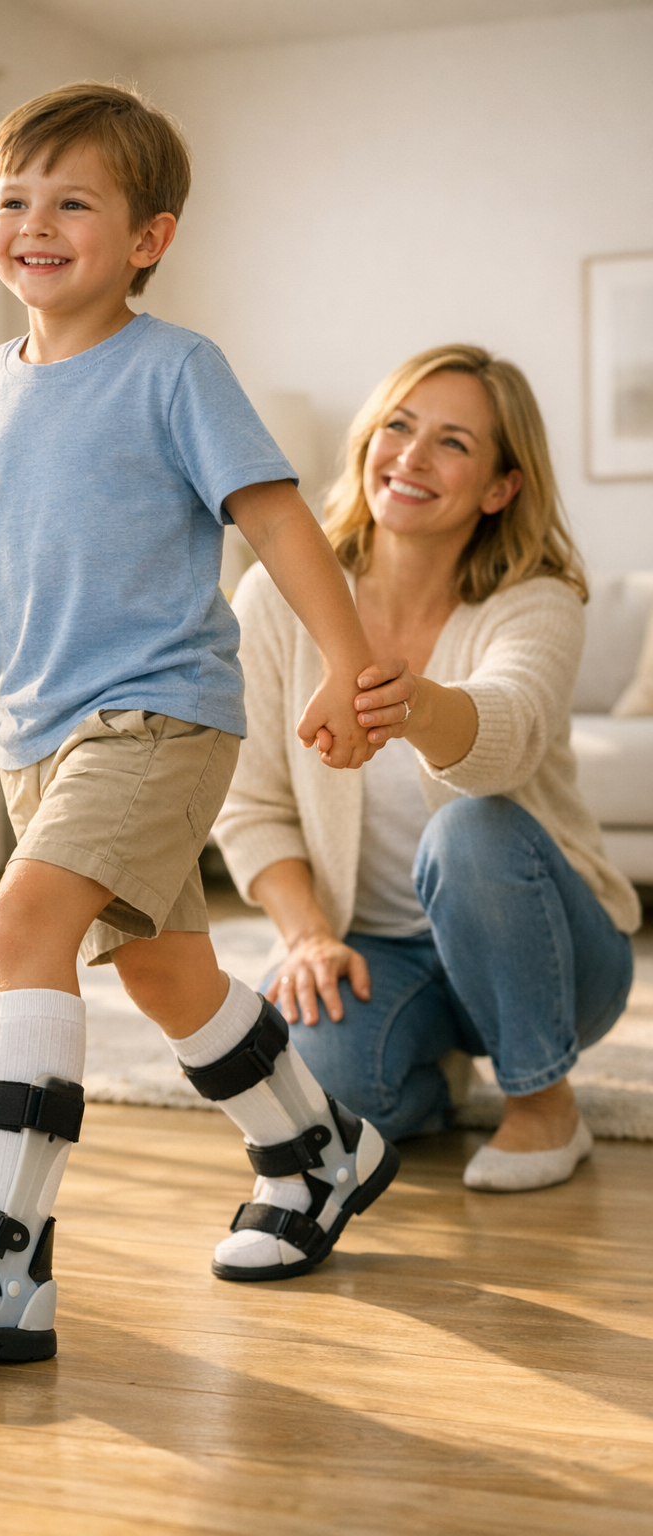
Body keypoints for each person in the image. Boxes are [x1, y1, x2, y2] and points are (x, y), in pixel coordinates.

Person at [0, 84, 401, 1364]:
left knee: (21, 921)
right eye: (13, 198)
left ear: (148, 237)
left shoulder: (175, 369)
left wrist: (345, 664)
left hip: (161, 716)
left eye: (72, 200)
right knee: (165, 973)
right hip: (33, 736)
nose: (35, 221)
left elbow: (278, 521)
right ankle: (315, 1153)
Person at [216, 345, 639, 1195]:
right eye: (398, 427)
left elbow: (509, 732)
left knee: (471, 826)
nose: (410, 456)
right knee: (313, 1093)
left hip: (558, 952)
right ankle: (442, 1066)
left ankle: (546, 1103)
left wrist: (405, 705)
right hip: (381, 952)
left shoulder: (539, 601)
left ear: (499, 488)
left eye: (452, 442)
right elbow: (249, 802)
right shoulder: (273, 597)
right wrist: (307, 936)